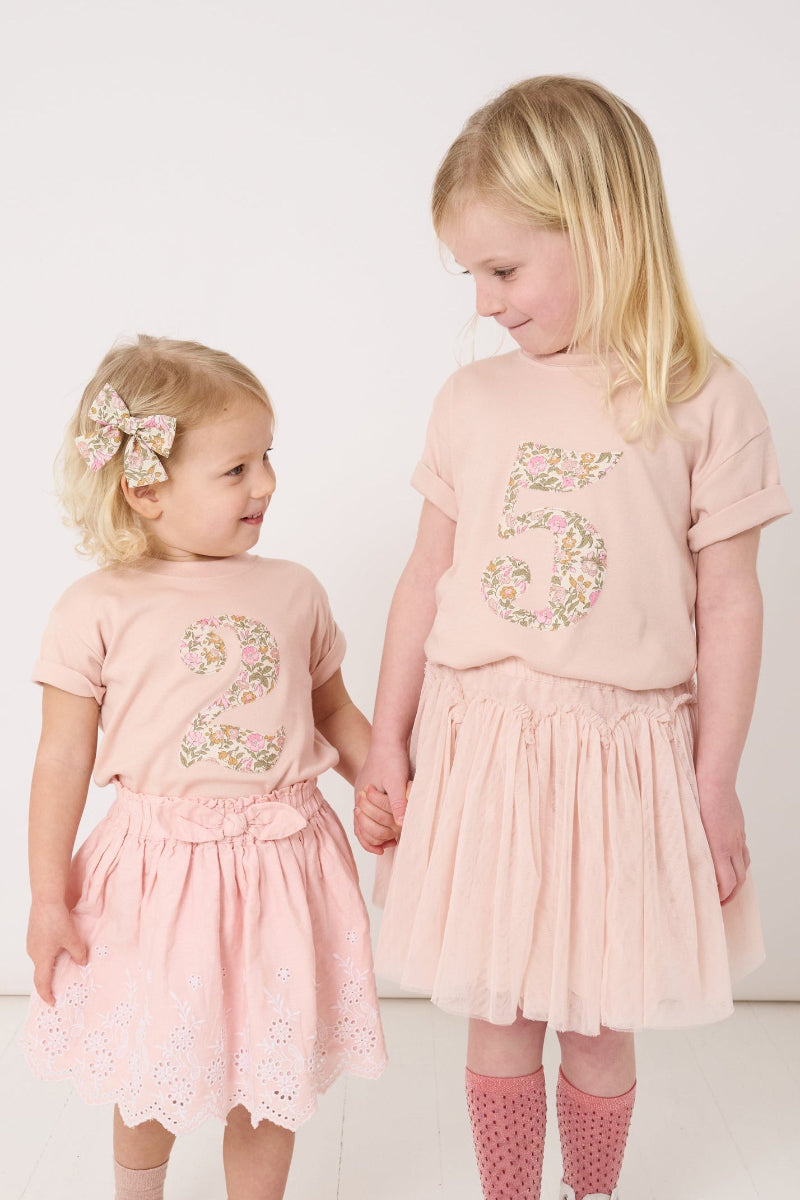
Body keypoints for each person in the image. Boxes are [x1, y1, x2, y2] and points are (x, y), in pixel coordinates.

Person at [354, 76, 791, 1200]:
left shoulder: (704, 399)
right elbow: (424, 578)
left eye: (503, 271)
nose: (486, 302)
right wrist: (388, 740)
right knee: (497, 1007)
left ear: (601, 225)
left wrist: (714, 781)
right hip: (487, 747)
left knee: (599, 1015)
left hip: (623, 756)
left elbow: (730, 604)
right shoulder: (472, 399)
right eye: (471, 275)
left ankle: (590, 1194)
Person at [22, 336, 390, 1200]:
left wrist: (382, 782)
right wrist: (46, 896)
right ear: (145, 488)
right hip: (158, 877)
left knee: (271, 1066)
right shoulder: (96, 607)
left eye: (268, 459)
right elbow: (62, 755)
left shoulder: (294, 590)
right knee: (149, 1059)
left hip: (285, 867)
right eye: (236, 470)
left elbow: (333, 713)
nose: (266, 484)